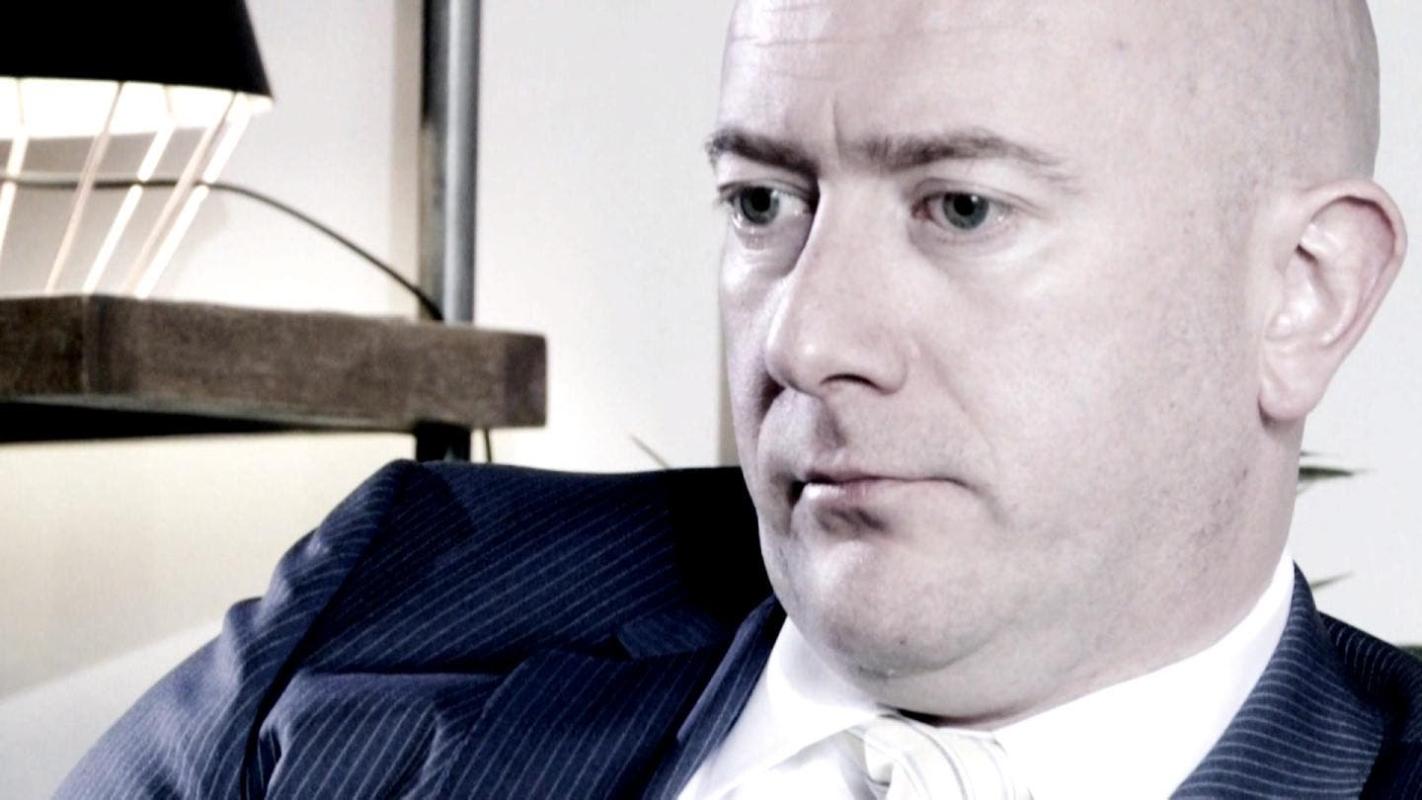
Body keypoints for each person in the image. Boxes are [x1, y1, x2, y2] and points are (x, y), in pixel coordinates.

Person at [60, 0, 1421, 797]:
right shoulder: (392, 593)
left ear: (1302, 293)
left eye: (961, 207)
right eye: (763, 202)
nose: (807, 336)